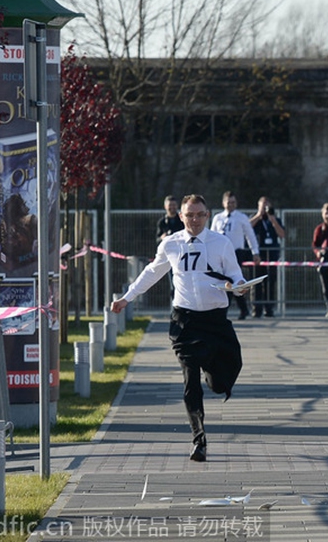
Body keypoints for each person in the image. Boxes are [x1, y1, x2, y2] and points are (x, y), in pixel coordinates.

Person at [111, 194, 250, 462]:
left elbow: (235, 274)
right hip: (184, 321)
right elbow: (151, 272)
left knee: (224, 377)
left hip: (215, 321)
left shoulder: (221, 243)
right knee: (190, 380)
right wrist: (126, 298)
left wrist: (240, 285)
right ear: (181, 216)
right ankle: (199, 440)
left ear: (208, 215)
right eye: (189, 215)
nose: (194, 220)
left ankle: (213, 371)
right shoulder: (171, 244)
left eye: (199, 215)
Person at [211, 191, 261, 320]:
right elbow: (211, 236)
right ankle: (240, 309)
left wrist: (255, 252)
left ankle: (232, 310)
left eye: (233, 202)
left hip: (236, 252)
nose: (231, 205)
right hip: (219, 253)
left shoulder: (241, 217)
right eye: (228, 202)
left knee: (233, 281)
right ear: (223, 203)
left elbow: (250, 235)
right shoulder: (218, 218)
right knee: (222, 281)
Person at [250, 196, 285, 318]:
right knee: (256, 282)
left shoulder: (275, 219)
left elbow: (282, 234)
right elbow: (246, 228)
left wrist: (273, 220)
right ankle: (256, 309)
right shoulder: (255, 219)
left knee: (270, 282)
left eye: (266, 205)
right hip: (258, 255)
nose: (265, 208)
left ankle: (269, 309)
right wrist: (258, 216)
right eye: (262, 205)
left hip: (272, 255)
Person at [156, 195, 185, 292]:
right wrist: (162, 238)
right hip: (169, 255)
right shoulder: (162, 222)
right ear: (165, 206)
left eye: (174, 205)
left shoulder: (182, 220)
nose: (172, 208)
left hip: (182, 254)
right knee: (172, 283)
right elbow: (157, 239)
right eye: (170, 205)